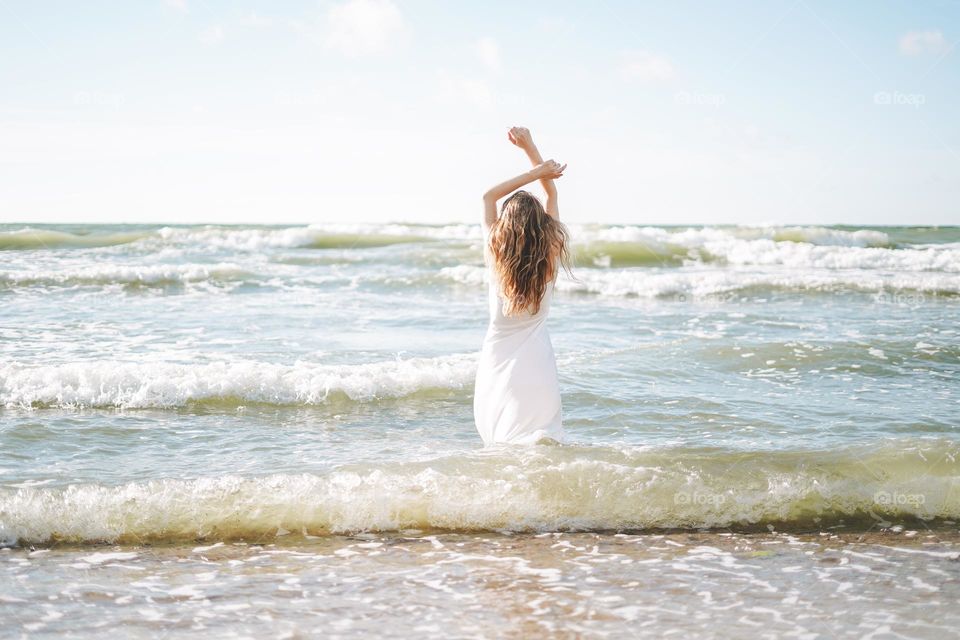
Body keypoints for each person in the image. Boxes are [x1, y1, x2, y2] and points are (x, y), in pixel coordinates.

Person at [473, 126, 574, 445]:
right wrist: (531, 149)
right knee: (542, 438)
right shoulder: (551, 251)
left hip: (498, 361)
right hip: (538, 364)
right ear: (543, 227)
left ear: (504, 226)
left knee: (502, 440)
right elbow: (552, 195)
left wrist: (535, 171)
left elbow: (489, 196)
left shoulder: (495, 252)